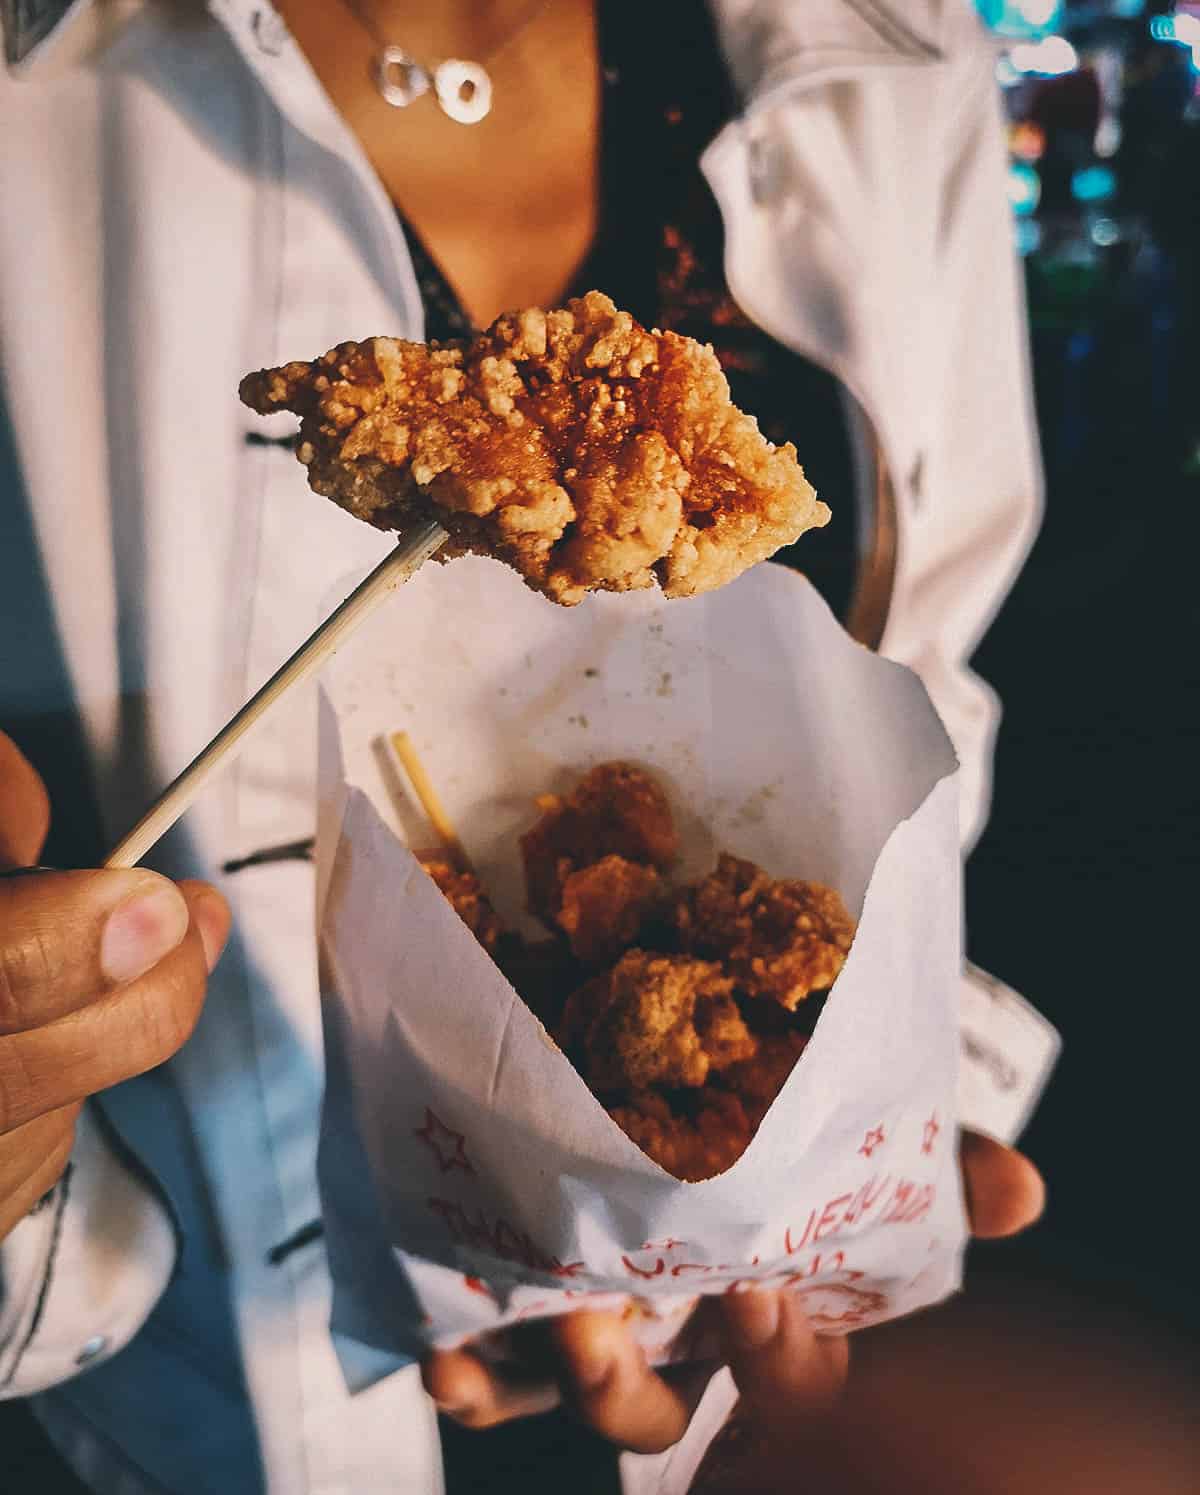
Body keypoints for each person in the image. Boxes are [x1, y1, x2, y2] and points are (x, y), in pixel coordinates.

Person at [0, 1, 1046, 1490]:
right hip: (217, 1382)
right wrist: (27, 1215)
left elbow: (929, 665)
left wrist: (889, 1116)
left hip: (731, 1379)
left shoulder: (899, 45)